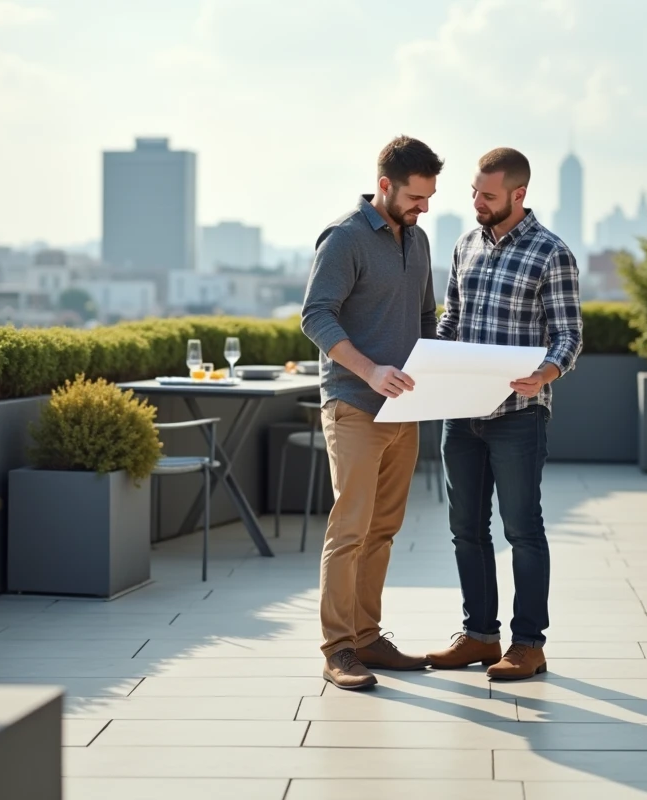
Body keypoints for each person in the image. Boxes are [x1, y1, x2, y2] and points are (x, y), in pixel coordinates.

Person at [426, 147, 583, 680]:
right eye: (473, 192)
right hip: (460, 413)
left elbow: (569, 336)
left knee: (522, 529)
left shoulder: (551, 253)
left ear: (519, 195)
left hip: (519, 414)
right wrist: (430, 365)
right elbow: (451, 324)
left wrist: (547, 371)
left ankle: (528, 644)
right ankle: (479, 636)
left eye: (487, 196)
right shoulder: (465, 245)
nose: (476, 203)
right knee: (465, 529)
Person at [300, 135, 444, 690]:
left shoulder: (420, 240)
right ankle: (337, 649)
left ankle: (367, 637)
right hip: (354, 402)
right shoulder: (344, 238)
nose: (423, 207)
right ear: (384, 185)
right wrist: (370, 372)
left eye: (429, 198)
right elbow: (316, 317)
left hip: (404, 409)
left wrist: (436, 373)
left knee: (383, 528)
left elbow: (427, 318)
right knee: (351, 527)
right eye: (415, 197)